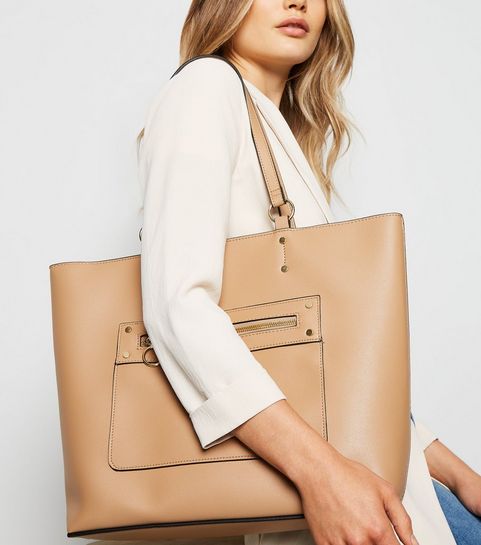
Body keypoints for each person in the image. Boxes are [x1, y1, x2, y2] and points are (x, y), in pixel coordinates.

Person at [136, 1, 481, 544]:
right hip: (335, 489)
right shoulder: (205, 89)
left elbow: (336, 375)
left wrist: (458, 475)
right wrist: (320, 474)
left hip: (378, 483)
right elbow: (178, 306)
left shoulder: (278, 137)